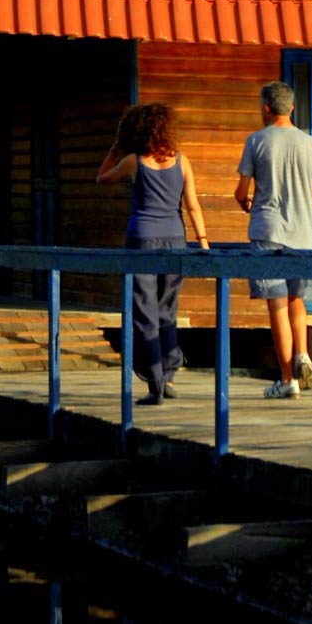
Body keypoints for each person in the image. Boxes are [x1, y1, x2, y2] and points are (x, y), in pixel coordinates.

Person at [97, 103, 209, 405]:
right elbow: (193, 206)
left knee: (143, 312)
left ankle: (155, 383)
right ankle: (169, 373)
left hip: (141, 240)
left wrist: (114, 149)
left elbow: (102, 177)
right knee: (166, 310)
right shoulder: (182, 162)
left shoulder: (134, 161)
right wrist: (203, 242)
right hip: (176, 240)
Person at [235, 80, 312, 399]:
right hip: (302, 235)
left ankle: (288, 379)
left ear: (265, 108)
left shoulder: (256, 141)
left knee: (276, 307)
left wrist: (246, 203)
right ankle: (303, 354)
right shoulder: (310, 143)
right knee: (296, 299)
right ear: (291, 108)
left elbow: (241, 192)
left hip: (267, 233)